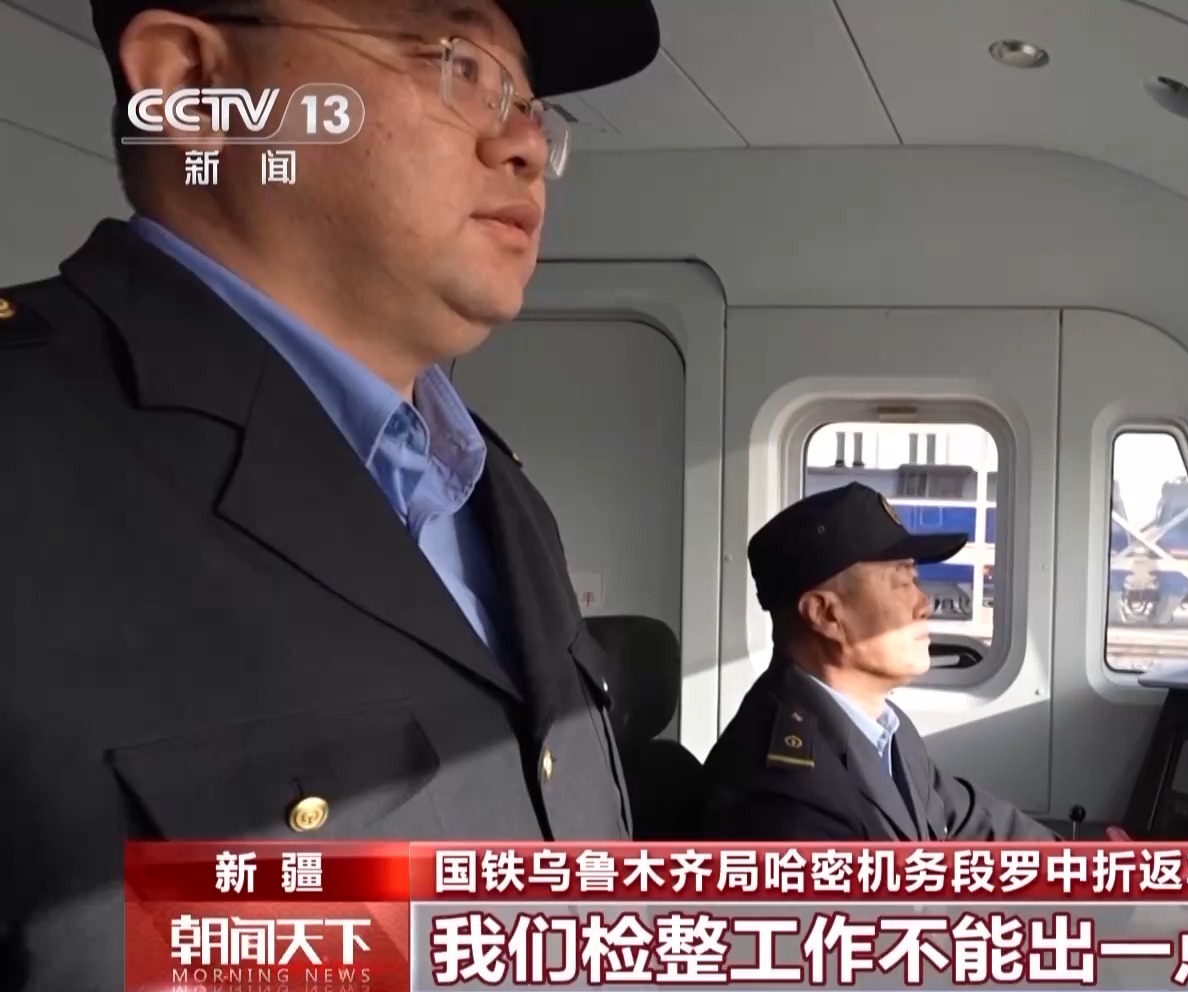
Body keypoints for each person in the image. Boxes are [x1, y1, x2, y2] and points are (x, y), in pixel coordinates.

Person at [0, 1, 658, 986]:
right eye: (458, 63)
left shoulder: (497, 491)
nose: (525, 143)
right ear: (191, 88)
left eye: (530, 102)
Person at [703, 483, 1060, 841]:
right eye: (902, 583)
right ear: (826, 615)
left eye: (915, 579)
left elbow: (968, 820)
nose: (925, 604)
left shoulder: (886, 728)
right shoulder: (786, 798)